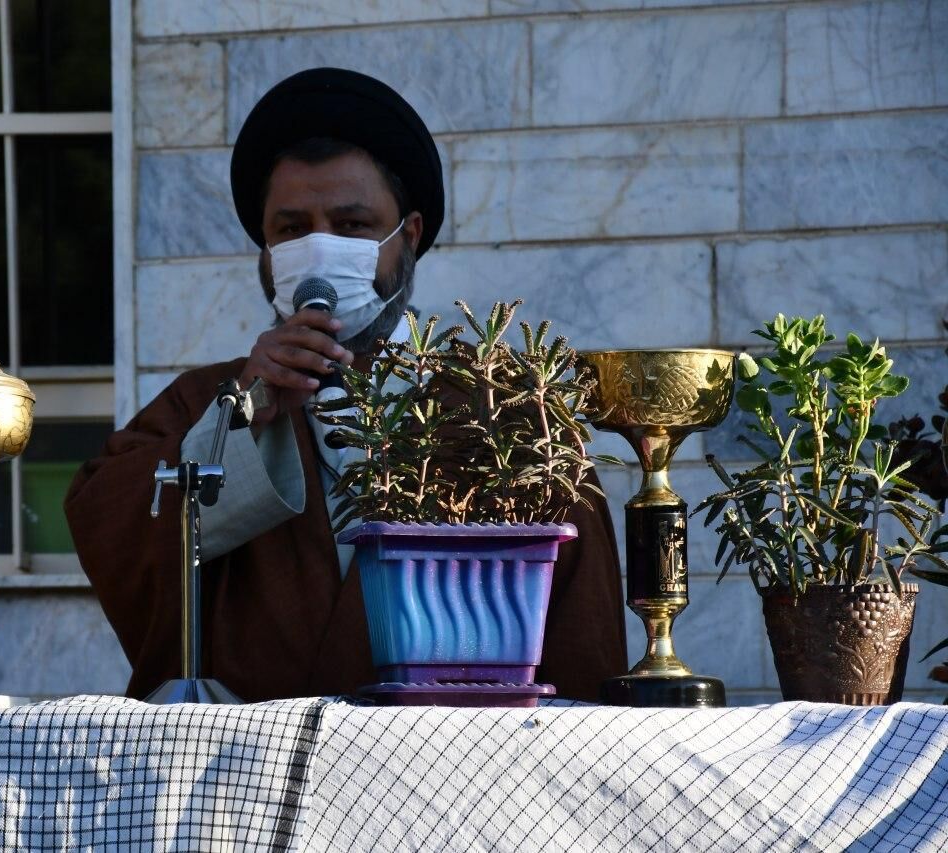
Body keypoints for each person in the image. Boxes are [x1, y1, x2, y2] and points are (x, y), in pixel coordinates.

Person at [66, 68, 627, 702]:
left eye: (352, 224)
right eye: (292, 229)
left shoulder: (507, 414)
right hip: (244, 759)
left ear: (408, 235)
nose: (320, 250)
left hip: (451, 756)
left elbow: (579, 641)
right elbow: (109, 522)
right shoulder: (205, 400)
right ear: (265, 249)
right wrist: (242, 414)